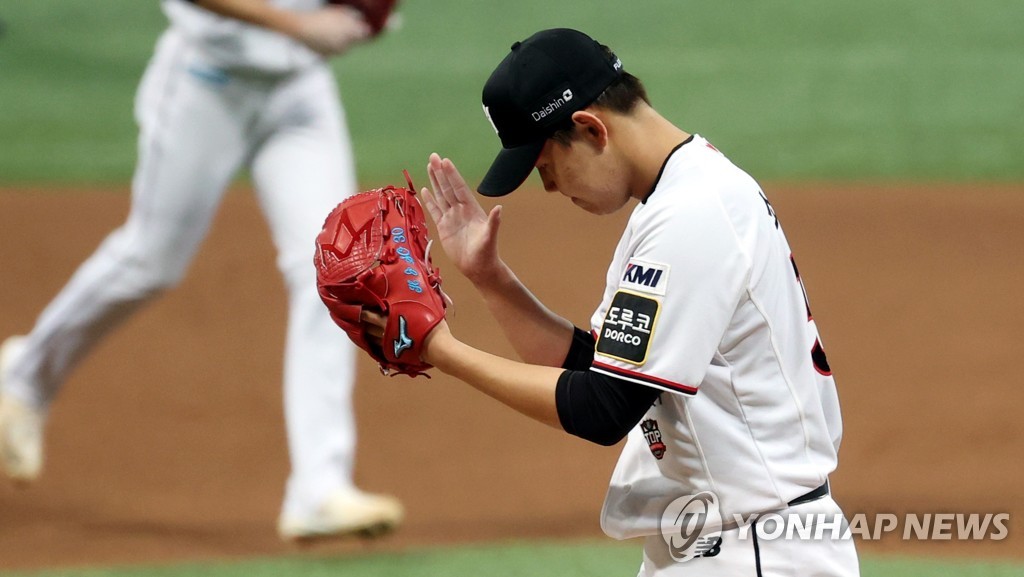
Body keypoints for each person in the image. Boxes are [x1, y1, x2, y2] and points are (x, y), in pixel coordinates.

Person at [398, 28, 860, 575]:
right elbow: (597, 366)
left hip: (757, 549)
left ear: (591, 128)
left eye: (545, 168)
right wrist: (491, 279)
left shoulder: (692, 213)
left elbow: (603, 408)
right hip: (723, 541)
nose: (549, 189)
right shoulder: (676, 198)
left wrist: (439, 351)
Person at [0, 0, 402, 541]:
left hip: (300, 90)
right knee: (150, 260)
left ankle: (319, 487)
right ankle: (22, 380)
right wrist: (300, 25)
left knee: (335, 271)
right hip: (206, 82)